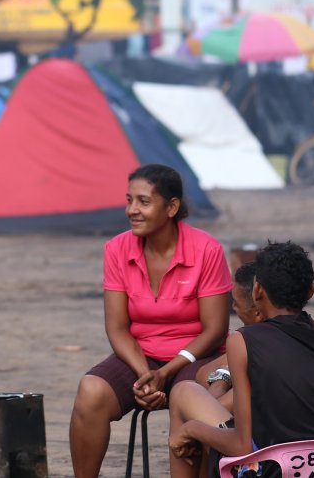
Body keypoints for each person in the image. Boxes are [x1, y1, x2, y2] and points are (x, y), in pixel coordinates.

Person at [69, 164, 232, 478]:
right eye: (129, 200)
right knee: (90, 391)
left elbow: (215, 330)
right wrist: (146, 374)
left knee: (194, 400)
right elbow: (116, 327)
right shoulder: (116, 249)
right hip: (140, 358)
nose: (132, 210)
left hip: (198, 356)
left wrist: (167, 371)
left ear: (171, 207)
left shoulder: (206, 250)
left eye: (143, 202)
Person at [168, 242, 314, 478]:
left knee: (183, 392)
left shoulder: (243, 341)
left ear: (257, 290)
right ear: (311, 291)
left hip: (271, 470)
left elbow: (241, 445)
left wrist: (191, 429)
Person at [199, 262, 263, 405]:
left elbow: (211, 408)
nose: (234, 307)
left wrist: (224, 377)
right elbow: (202, 373)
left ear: (257, 311)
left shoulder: (250, 343)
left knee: (183, 394)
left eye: (236, 303)